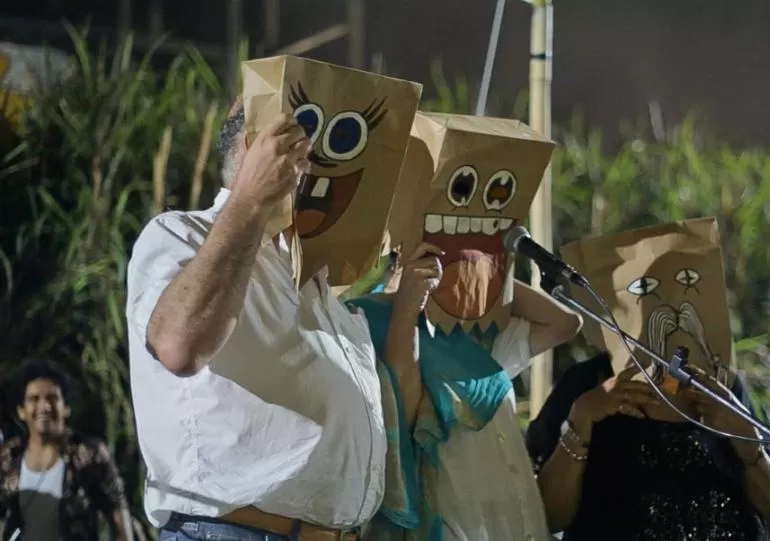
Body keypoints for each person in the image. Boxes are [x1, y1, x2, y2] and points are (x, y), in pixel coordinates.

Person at [126, 57, 421, 541]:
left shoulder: (321, 278)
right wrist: (249, 201)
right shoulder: (182, 235)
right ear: (251, 147)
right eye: (301, 134)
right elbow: (179, 344)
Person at [350, 112, 580, 541]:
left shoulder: (477, 326)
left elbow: (565, 322)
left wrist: (499, 264)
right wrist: (411, 300)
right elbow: (406, 404)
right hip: (454, 524)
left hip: (516, 521)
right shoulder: (366, 316)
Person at [527, 218, 770, 541]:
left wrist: (744, 435)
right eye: (643, 288)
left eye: (686, 280)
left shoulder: (723, 388)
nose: (668, 303)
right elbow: (551, 517)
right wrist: (580, 423)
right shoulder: (587, 385)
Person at [0, 359, 133, 541]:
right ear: (21, 411)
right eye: (34, 399)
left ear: (66, 407)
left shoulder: (89, 454)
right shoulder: (9, 456)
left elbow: (118, 513)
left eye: (52, 398)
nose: (44, 407)